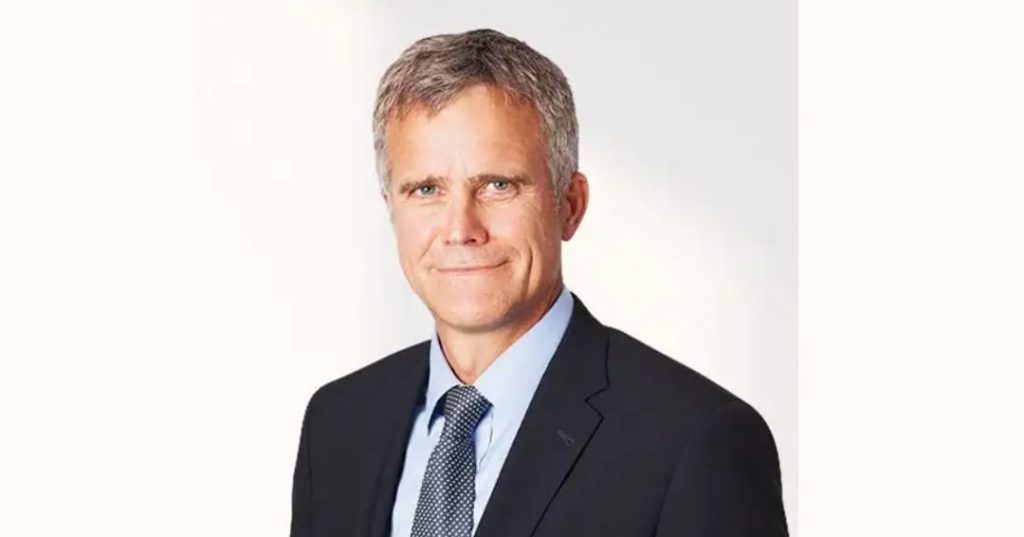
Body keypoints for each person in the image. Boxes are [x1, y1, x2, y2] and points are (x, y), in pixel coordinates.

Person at [289, 28, 788, 537]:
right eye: (426, 189)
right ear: (391, 209)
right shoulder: (338, 424)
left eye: (497, 185)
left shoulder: (696, 440)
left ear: (569, 205)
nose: (461, 229)